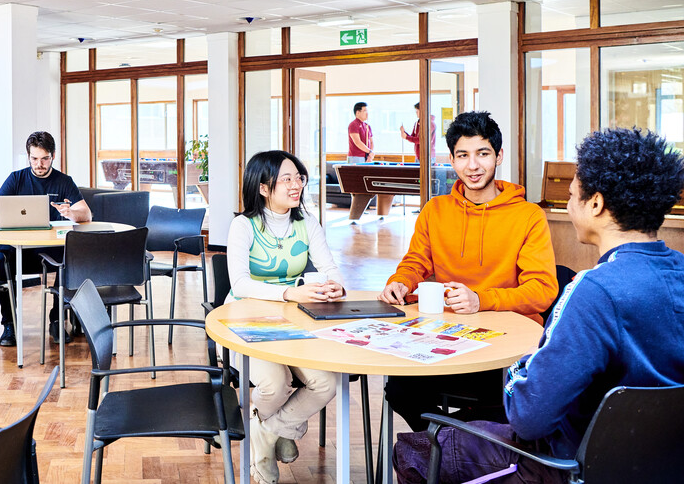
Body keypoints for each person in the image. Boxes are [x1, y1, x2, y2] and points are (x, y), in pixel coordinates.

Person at [393, 127, 684, 484]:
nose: (569, 196)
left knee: (416, 450)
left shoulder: (590, 289)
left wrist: (530, 356)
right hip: (659, 464)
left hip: (570, 464)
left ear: (595, 203)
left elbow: (528, 417)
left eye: (573, 188)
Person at [378, 111, 557, 432]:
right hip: (445, 339)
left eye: (483, 154)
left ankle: (444, 450)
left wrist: (481, 300)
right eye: (463, 155)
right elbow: (416, 261)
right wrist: (400, 282)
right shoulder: (436, 210)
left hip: (506, 350)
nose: (472, 166)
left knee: (499, 404)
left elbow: (542, 291)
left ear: (499, 156)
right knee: (399, 388)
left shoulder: (528, 216)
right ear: (452, 159)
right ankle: (448, 448)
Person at [227, 150, 347, 484]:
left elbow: (330, 268)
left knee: (326, 382)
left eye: (299, 178)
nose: (296, 186)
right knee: (274, 384)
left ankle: (264, 434)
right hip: (245, 320)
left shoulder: (307, 222)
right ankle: (276, 433)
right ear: (264, 188)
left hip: (296, 322)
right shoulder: (243, 225)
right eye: (287, 179)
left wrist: (335, 286)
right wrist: (288, 292)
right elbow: (239, 283)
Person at [0, 131, 91, 347]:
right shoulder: (16, 179)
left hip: (52, 251)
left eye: (44, 159)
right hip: (21, 251)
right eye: (34, 159)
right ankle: (9, 324)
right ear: (28, 157)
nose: (39, 164)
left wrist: (71, 213)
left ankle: (56, 318)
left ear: (53, 156)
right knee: (2, 261)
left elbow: (87, 214)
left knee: (72, 258)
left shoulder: (64, 181)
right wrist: (7, 219)